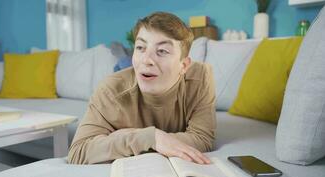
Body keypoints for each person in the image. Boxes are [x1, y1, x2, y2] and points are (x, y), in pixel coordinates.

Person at [67, 11, 216, 165]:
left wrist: (124, 136)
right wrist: (150, 138)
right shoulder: (110, 90)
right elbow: (78, 152)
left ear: (183, 65)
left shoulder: (201, 77)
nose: (146, 60)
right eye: (140, 48)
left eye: (162, 51)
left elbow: (202, 138)